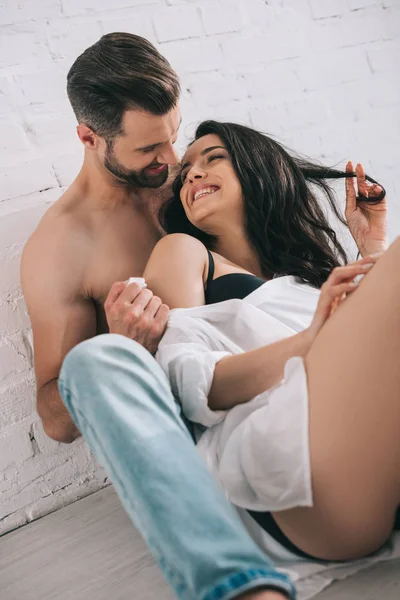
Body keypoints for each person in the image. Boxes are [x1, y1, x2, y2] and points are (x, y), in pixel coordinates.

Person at [21, 32, 297, 600]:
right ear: (89, 137)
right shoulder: (63, 247)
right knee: (98, 359)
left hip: (292, 386)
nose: (172, 161)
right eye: (150, 150)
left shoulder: (191, 177)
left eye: (173, 136)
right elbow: (55, 416)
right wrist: (127, 343)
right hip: (217, 440)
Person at [134, 119, 400, 565]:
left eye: (213, 158)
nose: (193, 174)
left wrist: (371, 246)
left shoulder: (309, 277)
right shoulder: (184, 251)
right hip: (295, 473)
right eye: (186, 173)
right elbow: (187, 386)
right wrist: (316, 338)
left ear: (258, 170)